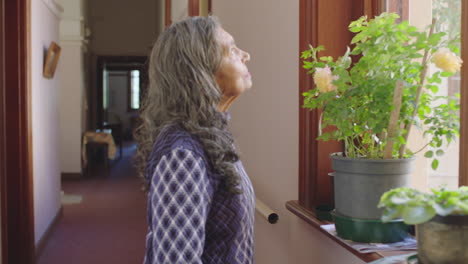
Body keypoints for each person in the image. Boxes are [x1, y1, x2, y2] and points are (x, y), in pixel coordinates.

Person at [134, 16, 255, 264]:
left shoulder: (211, 133)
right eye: (231, 50)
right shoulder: (183, 153)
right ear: (199, 73)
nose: (245, 55)